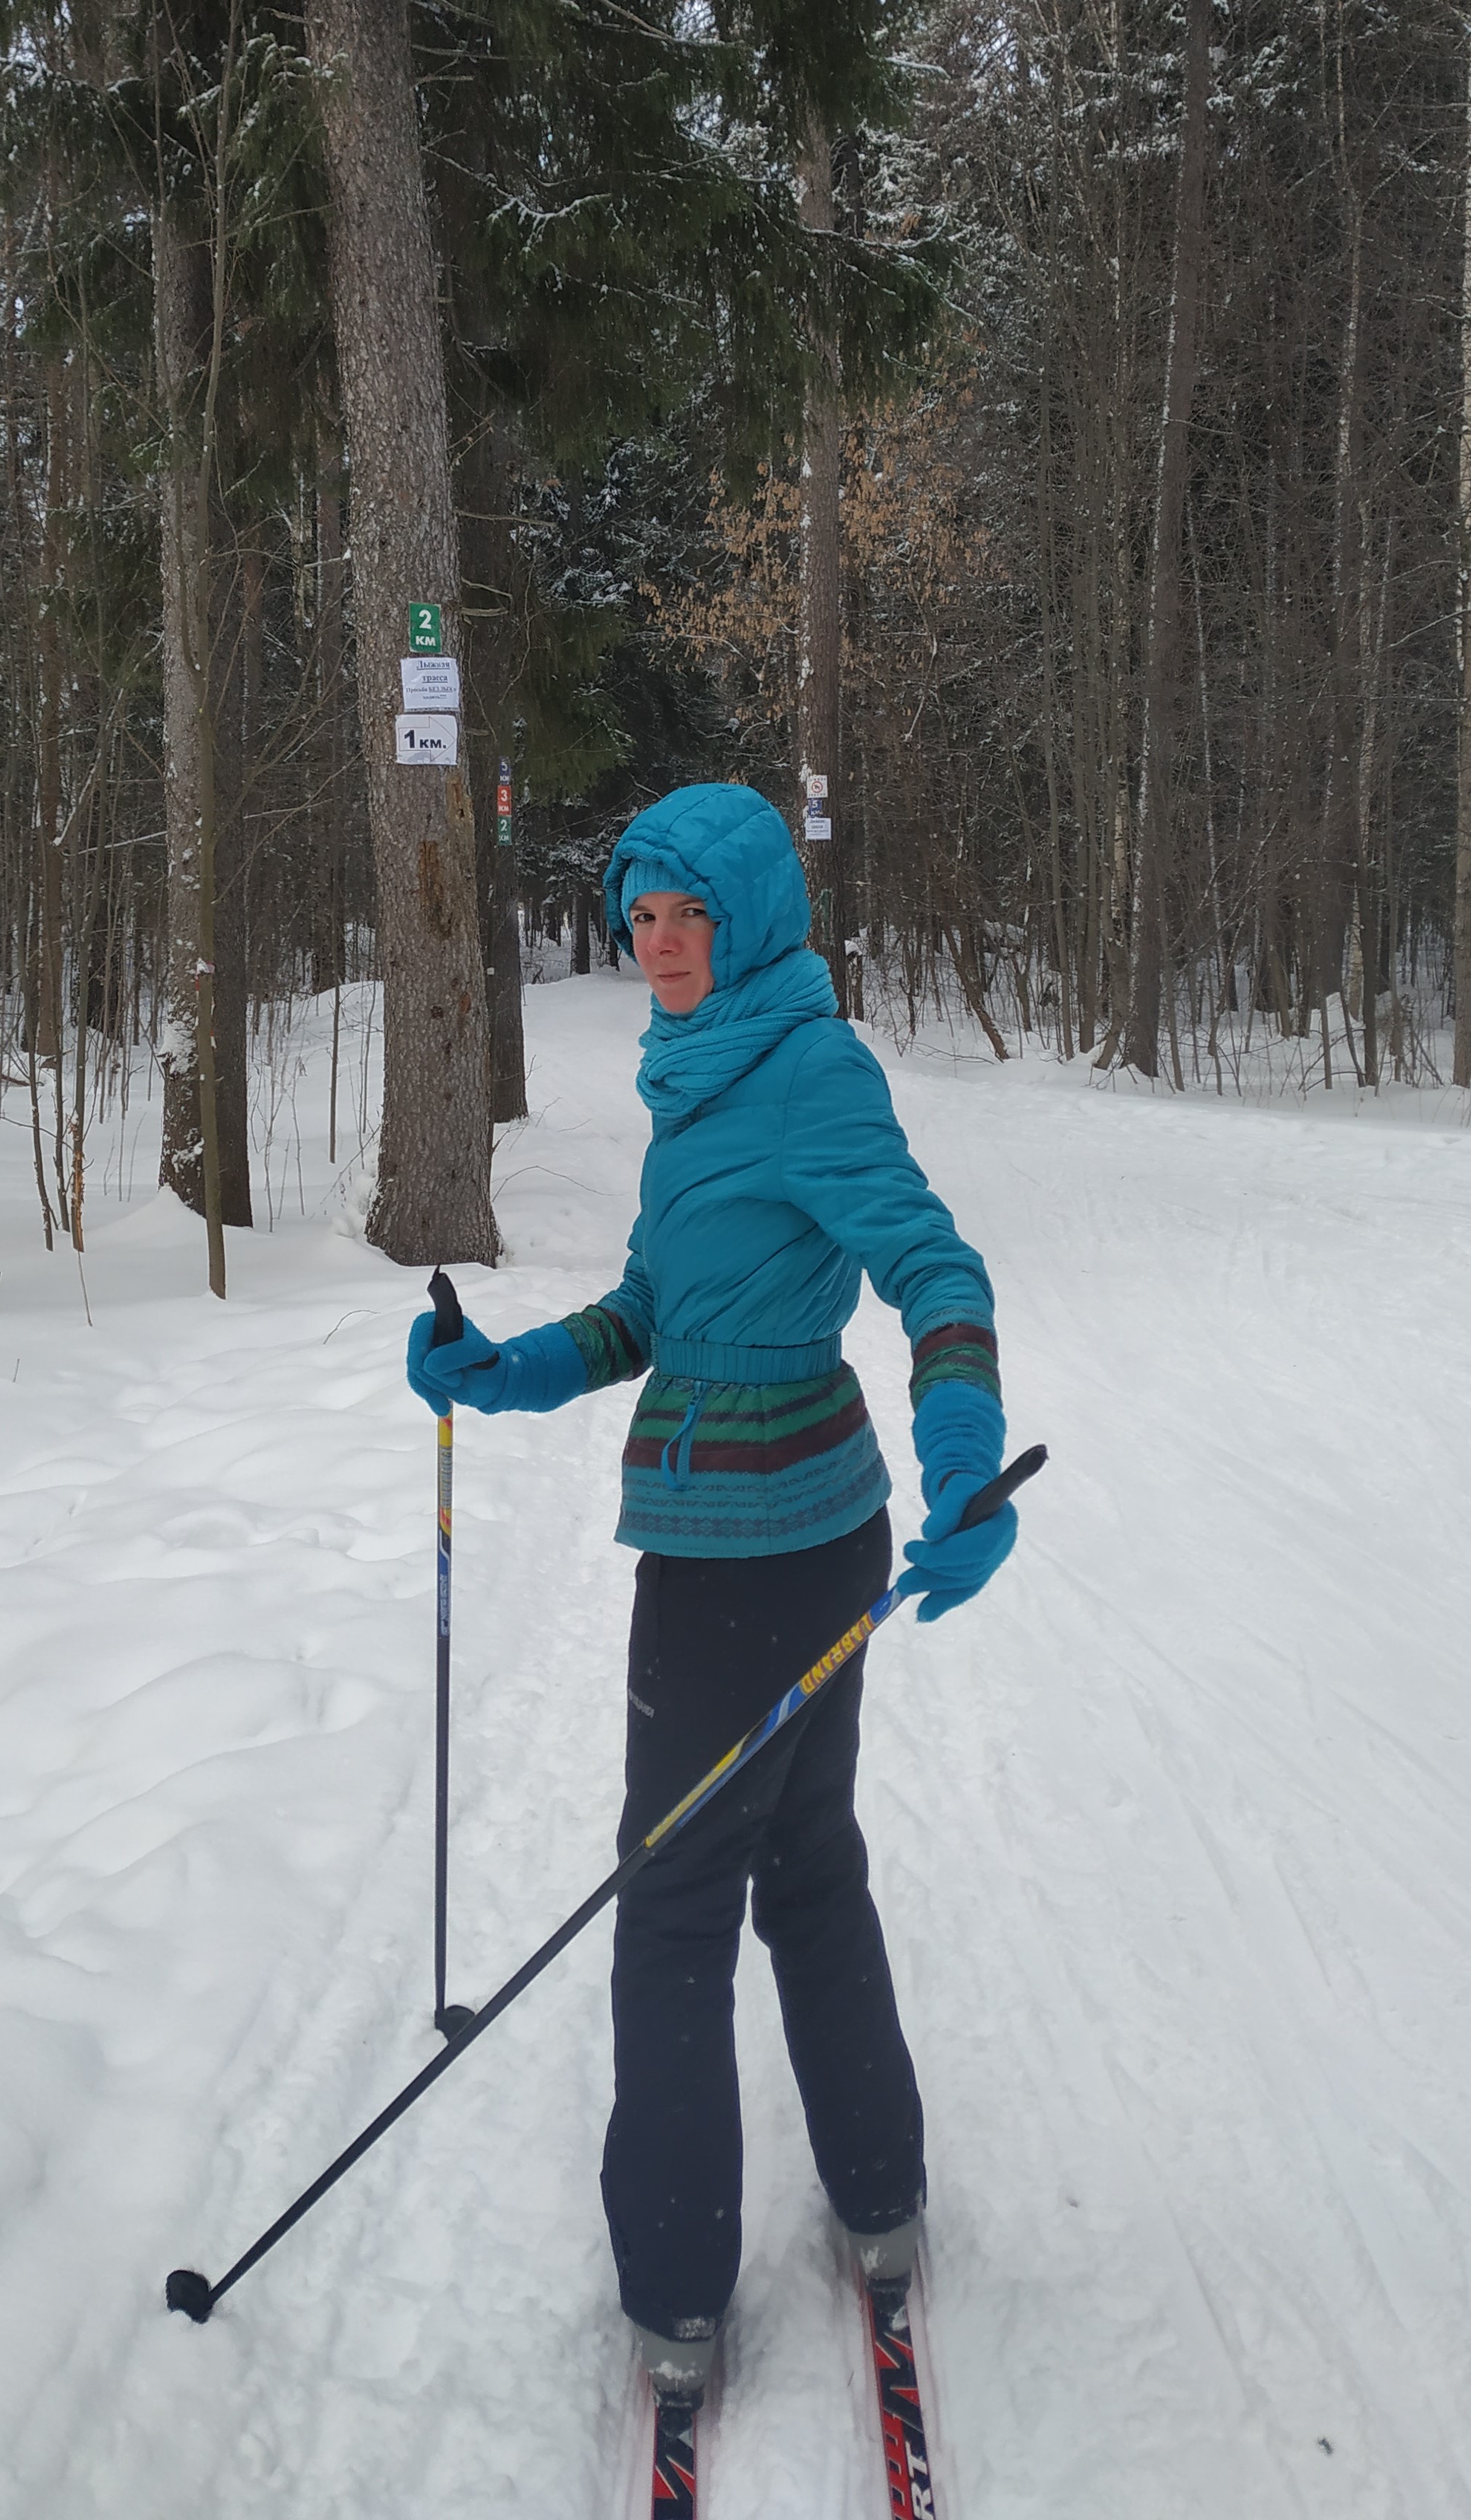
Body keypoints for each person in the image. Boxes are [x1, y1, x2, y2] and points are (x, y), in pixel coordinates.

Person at [406, 782, 1015, 2400]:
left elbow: (936, 1269)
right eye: (642, 914)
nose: (659, 943)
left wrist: (966, 1448)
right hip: (797, 1532)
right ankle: (879, 2206)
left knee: (675, 1906)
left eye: (689, 913)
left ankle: (677, 2289)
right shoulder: (704, 1074)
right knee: (806, 1863)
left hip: (749, 1557)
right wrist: (500, 1370)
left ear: (747, 921)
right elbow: (650, 1315)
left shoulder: (807, 1069)